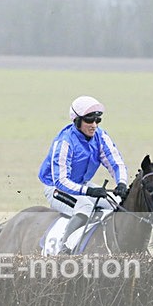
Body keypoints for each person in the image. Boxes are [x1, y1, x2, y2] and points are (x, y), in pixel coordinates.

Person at [38, 95, 129, 253]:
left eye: (97, 120)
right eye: (89, 120)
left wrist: (121, 183)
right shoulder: (65, 142)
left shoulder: (100, 136)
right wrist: (89, 191)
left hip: (81, 184)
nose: (94, 125)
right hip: (56, 188)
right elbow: (61, 181)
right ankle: (64, 250)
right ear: (77, 120)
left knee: (117, 202)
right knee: (85, 206)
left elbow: (115, 162)